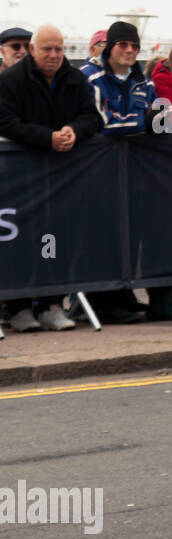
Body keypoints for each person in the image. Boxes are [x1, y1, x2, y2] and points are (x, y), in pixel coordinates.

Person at [0, 26, 102, 330]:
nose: (54, 55)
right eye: (47, 49)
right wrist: (47, 138)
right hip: (22, 175)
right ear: (33, 50)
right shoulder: (11, 80)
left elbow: (92, 117)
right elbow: (5, 122)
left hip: (62, 176)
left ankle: (52, 303)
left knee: (59, 237)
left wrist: (74, 130)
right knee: (23, 240)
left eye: (59, 49)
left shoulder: (75, 78)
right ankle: (18, 308)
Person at [84, 21, 155, 135]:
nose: (129, 50)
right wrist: (145, 123)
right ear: (110, 47)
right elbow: (101, 124)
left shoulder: (146, 83)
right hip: (104, 152)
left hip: (139, 152)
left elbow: (161, 123)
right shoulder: (89, 78)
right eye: (123, 45)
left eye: (135, 46)